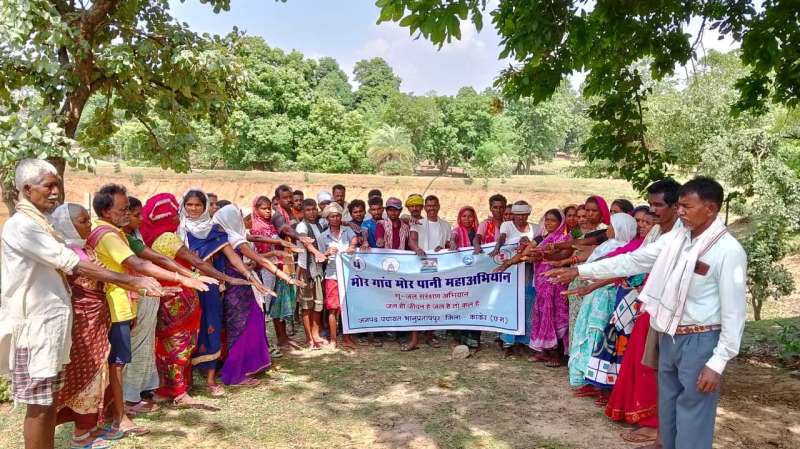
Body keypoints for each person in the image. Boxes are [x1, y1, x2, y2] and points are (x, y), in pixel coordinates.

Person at [546, 177, 747, 449]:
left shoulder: (728, 251)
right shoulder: (678, 238)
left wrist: (718, 361)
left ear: (710, 209)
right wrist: (580, 271)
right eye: (679, 206)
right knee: (668, 405)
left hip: (700, 339)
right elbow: (634, 260)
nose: (680, 211)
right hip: (668, 334)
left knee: (694, 411)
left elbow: (735, 313)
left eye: (687, 207)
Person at [0, 160, 164, 449]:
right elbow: (73, 263)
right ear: (27, 189)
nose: (55, 192)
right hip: (35, 328)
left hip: (51, 328)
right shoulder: (23, 225)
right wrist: (131, 280)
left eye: (57, 185)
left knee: (48, 402)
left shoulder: (41, 223)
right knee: (39, 407)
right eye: (48, 186)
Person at [91, 184, 210, 434]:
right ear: (106, 211)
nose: (129, 214)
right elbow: (139, 264)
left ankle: (119, 411)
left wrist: (182, 279)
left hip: (126, 303)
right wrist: (184, 278)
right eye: (123, 209)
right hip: (117, 305)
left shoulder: (117, 233)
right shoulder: (108, 235)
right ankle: (119, 415)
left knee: (120, 361)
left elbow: (148, 260)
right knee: (117, 363)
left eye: (129, 209)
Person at [51, 203, 165, 449]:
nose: (89, 225)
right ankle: (81, 435)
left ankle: (92, 427)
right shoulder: (67, 253)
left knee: (99, 373)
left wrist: (148, 288)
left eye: (87, 219)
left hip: (98, 317)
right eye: (83, 221)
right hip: (83, 322)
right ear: (68, 225)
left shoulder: (86, 248)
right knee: (87, 375)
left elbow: (111, 278)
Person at [605, 180, 681, 447]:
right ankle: (648, 420)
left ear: (676, 206)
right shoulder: (658, 231)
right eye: (650, 204)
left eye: (658, 205)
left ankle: (655, 425)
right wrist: (587, 278)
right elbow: (633, 261)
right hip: (648, 303)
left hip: (669, 309)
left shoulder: (682, 235)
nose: (652, 210)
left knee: (659, 367)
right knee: (642, 360)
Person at [563, 213, 638, 396]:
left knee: (598, 335)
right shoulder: (608, 244)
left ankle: (598, 382)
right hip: (594, 294)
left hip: (606, 296)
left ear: (621, 229)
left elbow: (611, 272)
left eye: (612, 226)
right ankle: (587, 378)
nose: (608, 229)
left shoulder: (624, 250)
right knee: (586, 332)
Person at [317, 203, 360, 350]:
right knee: (332, 309)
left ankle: (347, 338)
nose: (335, 218)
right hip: (332, 275)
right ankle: (334, 340)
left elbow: (355, 240)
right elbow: (320, 259)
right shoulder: (323, 237)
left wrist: (352, 246)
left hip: (348, 274)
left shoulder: (348, 231)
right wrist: (327, 253)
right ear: (327, 219)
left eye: (338, 216)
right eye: (332, 216)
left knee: (347, 308)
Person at [295, 199, 330, 349]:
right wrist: (317, 253)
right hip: (306, 270)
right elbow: (306, 242)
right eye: (308, 210)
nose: (312, 212)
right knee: (307, 306)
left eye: (314, 209)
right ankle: (309, 338)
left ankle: (316, 335)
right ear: (303, 212)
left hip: (318, 270)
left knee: (318, 305)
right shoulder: (302, 226)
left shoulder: (319, 224)